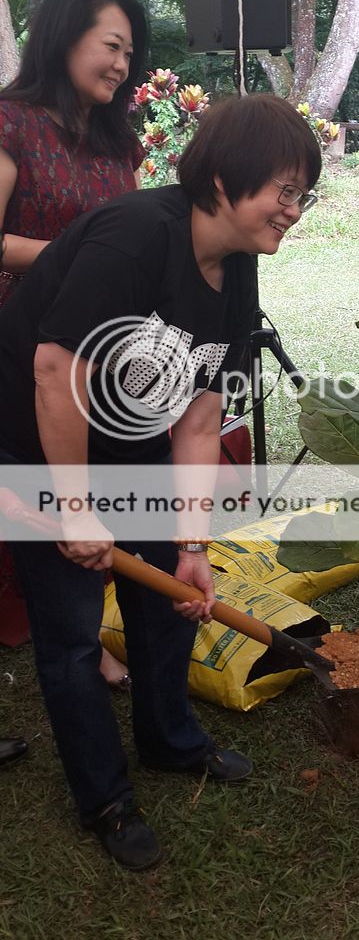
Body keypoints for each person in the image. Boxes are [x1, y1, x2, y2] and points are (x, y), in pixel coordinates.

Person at [0, 91, 322, 870]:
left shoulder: (237, 272)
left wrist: (191, 545)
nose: (294, 211)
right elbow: (54, 371)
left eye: (302, 195)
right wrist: (76, 510)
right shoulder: (136, 236)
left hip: (128, 434)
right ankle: (105, 798)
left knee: (170, 598)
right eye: (284, 190)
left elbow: (201, 421)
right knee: (72, 632)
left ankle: (169, 739)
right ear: (223, 179)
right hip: (33, 435)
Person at [0, 0, 148, 685]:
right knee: (43, 499)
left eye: (130, 54)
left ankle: (93, 632)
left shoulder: (118, 142)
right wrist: (77, 260)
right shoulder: (12, 123)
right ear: (64, 37)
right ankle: (73, 639)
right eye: (111, 46)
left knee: (93, 491)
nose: (122, 66)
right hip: (19, 345)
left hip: (102, 350)